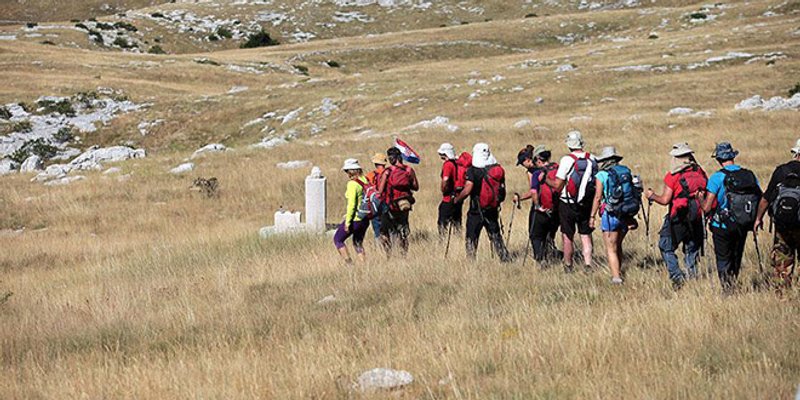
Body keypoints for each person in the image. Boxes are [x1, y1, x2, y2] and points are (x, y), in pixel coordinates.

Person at [645, 143, 708, 289]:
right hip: (697, 216)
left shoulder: (673, 176)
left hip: (677, 217)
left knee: (666, 246)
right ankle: (692, 278)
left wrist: (652, 195)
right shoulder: (700, 172)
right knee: (691, 248)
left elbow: (665, 200)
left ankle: (676, 276)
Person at [701, 142, 762, 294]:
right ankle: (733, 282)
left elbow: (707, 207)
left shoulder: (717, 177)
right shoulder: (749, 175)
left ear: (718, 159)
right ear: (733, 156)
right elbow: (760, 197)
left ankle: (728, 289)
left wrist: (700, 198)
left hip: (722, 225)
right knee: (736, 255)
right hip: (743, 223)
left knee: (723, 258)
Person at [546, 131, 598, 273]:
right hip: (587, 202)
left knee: (567, 235)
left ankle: (568, 265)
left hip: (567, 202)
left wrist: (546, 180)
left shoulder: (566, 160)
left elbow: (558, 185)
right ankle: (588, 264)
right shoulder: (592, 159)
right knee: (585, 234)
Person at [589, 147, 639, 284]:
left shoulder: (601, 175)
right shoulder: (625, 171)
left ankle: (616, 277)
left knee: (611, 248)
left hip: (610, 213)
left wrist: (592, 216)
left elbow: (598, 197)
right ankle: (618, 270)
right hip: (625, 212)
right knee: (618, 244)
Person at [755, 139, 800, 292]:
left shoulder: (782, 170)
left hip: (783, 225)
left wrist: (758, 218)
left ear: (795, 153)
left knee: (782, 261)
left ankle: (782, 294)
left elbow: (766, 198)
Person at [454, 143, 511, 262]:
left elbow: (468, 189)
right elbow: (502, 190)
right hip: (492, 208)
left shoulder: (473, 170)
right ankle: (504, 258)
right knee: (495, 235)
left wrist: (457, 199)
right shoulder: (496, 169)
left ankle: (470, 260)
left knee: (472, 236)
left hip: (476, 210)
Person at [513, 145, 560, 265]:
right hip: (556, 207)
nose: (523, 165)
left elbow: (533, 191)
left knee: (536, 235)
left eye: (522, 162)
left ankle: (541, 259)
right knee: (550, 233)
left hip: (540, 207)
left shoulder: (533, 173)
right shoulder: (556, 167)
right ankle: (551, 254)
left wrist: (522, 199)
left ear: (528, 160)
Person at [377, 147, 419, 257]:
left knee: (384, 232)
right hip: (404, 205)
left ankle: (388, 254)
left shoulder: (388, 172)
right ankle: (403, 254)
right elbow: (416, 187)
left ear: (391, 158)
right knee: (403, 232)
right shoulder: (409, 170)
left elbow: (380, 191)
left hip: (390, 205)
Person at [333, 158, 371, 264]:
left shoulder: (352, 184)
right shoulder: (365, 180)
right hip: (365, 218)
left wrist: (348, 222)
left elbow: (352, 205)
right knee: (357, 242)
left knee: (338, 239)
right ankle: (364, 265)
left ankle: (349, 264)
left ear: (350, 171)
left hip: (355, 219)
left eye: (346, 171)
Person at [437, 143, 464, 238]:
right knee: (457, 221)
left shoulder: (448, 165)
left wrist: (444, 190)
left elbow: (446, 179)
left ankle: (442, 240)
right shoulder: (456, 163)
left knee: (442, 221)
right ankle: (458, 238)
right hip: (458, 197)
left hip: (449, 198)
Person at [365, 153, 387, 239]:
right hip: (388, 202)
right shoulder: (389, 173)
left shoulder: (370, 175)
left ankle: (378, 248)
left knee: (377, 228)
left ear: (375, 163)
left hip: (375, 204)